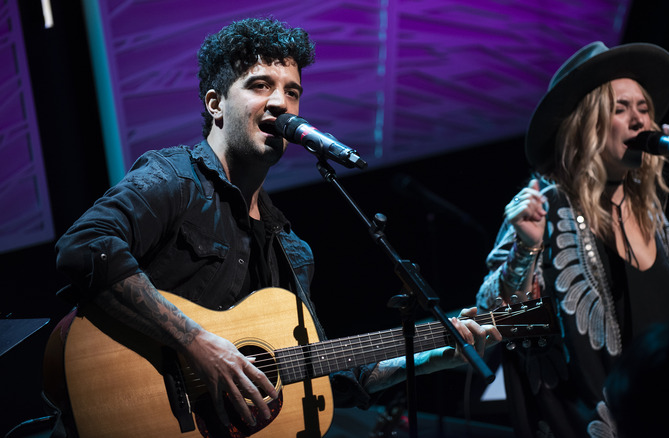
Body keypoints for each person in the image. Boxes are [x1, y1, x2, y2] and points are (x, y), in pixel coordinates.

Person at [51, 17, 499, 437]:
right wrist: (198, 343)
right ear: (215, 104)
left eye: (292, 91)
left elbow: (333, 374)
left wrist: (438, 354)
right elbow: (86, 246)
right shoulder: (174, 179)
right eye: (261, 85)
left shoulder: (290, 247)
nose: (281, 103)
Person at [476, 41, 669, 437]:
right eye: (621, 109)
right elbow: (496, 313)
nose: (639, 121)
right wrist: (526, 247)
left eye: (644, 109)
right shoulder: (549, 206)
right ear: (587, 125)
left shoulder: (648, 212)